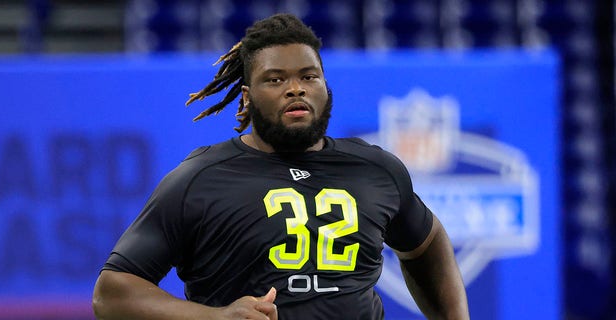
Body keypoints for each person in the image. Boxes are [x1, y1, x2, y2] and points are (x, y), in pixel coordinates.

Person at [92, 13, 469, 320]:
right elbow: (112, 292)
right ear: (246, 98)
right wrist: (215, 317)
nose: (296, 89)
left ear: (325, 86)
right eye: (275, 80)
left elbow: (427, 242)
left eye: (309, 76)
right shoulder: (200, 179)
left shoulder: (375, 168)